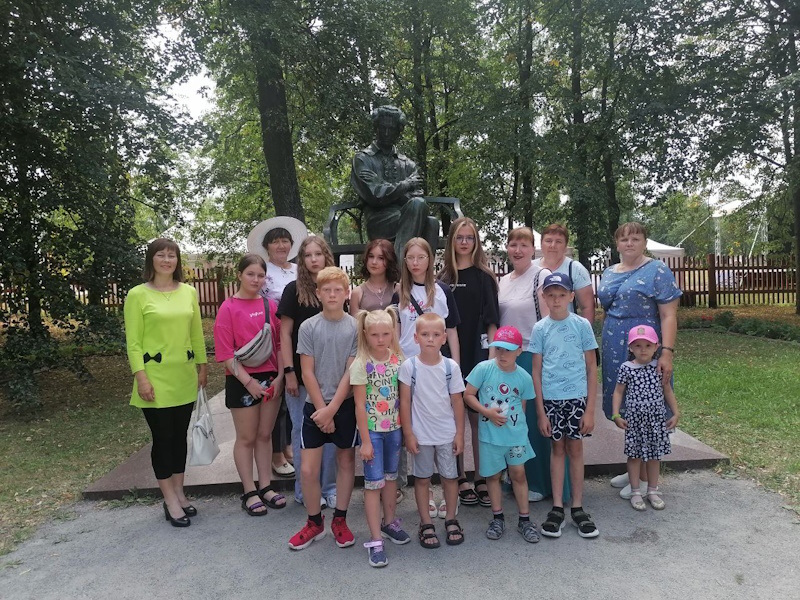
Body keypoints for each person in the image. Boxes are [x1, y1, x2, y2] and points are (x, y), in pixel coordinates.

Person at [123, 238, 207, 527]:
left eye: (172, 255)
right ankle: (169, 499)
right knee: (163, 438)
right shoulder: (137, 295)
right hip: (154, 379)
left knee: (179, 437)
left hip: (183, 376)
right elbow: (134, 343)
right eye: (161, 255)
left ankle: (180, 493)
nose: (167, 260)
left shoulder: (189, 292)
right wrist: (141, 377)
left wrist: (202, 366)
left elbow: (196, 333)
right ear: (152, 259)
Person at [597, 222, 681, 498]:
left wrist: (666, 352)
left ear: (645, 242)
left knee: (648, 404)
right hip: (614, 343)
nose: (630, 243)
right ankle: (634, 466)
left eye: (635, 238)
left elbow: (669, 314)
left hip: (645, 345)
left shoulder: (657, 270)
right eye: (624, 239)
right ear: (617, 244)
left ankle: (645, 478)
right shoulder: (610, 271)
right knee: (628, 404)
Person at [289, 267, 359, 551]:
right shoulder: (308, 327)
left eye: (337, 290)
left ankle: (340, 519)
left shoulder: (355, 327)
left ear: (346, 293)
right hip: (314, 407)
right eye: (326, 290)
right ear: (318, 293)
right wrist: (322, 410)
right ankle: (314, 522)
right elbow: (307, 372)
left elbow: (351, 372)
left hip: (344, 405)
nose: (332, 295)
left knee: (346, 462)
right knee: (308, 470)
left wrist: (333, 410)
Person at [213, 254, 286, 516]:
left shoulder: (270, 306)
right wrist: (249, 382)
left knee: (265, 435)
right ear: (240, 275)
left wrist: (280, 377)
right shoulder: (228, 308)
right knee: (246, 438)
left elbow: (279, 344)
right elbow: (225, 353)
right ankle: (249, 490)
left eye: (260, 275)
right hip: (241, 381)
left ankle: (266, 485)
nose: (256, 279)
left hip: (271, 379)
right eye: (250, 274)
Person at [393, 237, 461, 515]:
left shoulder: (441, 290)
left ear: (430, 260)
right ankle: (428, 493)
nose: (416, 262)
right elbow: (397, 330)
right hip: (409, 366)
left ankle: (449, 493)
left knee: (442, 422)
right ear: (405, 261)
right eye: (411, 258)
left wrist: (456, 364)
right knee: (416, 425)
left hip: (436, 366)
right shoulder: (400, 291)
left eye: (421, 257)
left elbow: (452, 329)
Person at [497, 227, 564, 503]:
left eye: (523, 245)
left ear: (532, 249)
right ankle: (517, 478)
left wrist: (546, 358)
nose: (518, 250)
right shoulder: (503, 281)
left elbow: (550, 321)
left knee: (535, 422)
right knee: (514, 420)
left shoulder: (541, 276)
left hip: (531, 354)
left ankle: (540, 481)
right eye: (513, 245)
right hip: (507, 357)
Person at [531, 273, 600, 539]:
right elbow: (536, 372)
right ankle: (558, 507)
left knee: (575, 448)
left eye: (562, 295)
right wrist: (540, 412)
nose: (556, 300)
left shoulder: (582, 325)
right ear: (544, 297)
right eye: (551, 295)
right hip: (551, 399)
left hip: (577, 399)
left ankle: (578, 506)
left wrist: (590, 409)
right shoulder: (540, 329)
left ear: (571, 296)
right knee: (557, 449)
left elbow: (592, 367)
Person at [438, 217, 500, 508]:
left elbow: (492, 322)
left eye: (470, 237)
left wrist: (491, 360)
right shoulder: (442, 279)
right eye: (460, 237)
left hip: (478, 354)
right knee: (454, 418)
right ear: (451, 240)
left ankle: (481, 476)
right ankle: (459, 476)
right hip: (449, 357)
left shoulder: (485, 276)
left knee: (478, 418)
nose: (464, 242)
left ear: (476, 242)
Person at [278, 236, 338, 509]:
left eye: (318, 254)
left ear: (326, 256)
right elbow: (285, 334)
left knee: (330, 431)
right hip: (301, 376)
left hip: (330, 375)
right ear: (301, 260)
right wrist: (289, 371)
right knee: (303, 431)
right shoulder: (294, 290)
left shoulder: (334, 288)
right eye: (308, 255)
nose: (313, 259)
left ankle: (329, 487)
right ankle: (305, 490)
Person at [463, 326, 538, 543]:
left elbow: (522, 406)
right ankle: (497, 517)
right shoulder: (483, 369)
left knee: (519, 474)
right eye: (499, 349)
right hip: (490, 437)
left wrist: (520, 431)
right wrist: (486, 412)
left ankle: (525, 519)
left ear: (519, 351)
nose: (502, 354)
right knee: (493, 476)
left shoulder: (524, 377)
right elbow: (468, 395)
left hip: (515, 437)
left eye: (508, 349)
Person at [248, 216, 308, 480]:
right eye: (275, 242)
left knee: (294, 396)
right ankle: (276, 453)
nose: (281, 246)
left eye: (285, 241)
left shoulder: (298, 270)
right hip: (274, 340)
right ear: (267, 246)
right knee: (278, 398)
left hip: (299, 340)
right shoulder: (264, 273)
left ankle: (288, 445)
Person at [399, 313, 466, 549]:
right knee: (422, 479)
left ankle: (451, 519)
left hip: (446, 434)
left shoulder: (450, 367)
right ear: (415, 337)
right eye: (425, 334)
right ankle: (425, 522)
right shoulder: (409, 367)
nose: (430, 339)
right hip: (421, 435)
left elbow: (457, 401)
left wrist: (460, 434)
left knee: (450, 477)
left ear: (444, 338)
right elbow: (404, 401)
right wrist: (408, 434)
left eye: (436, 334)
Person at [351, 309, 409, 568]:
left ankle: (389, 523)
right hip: (372, 432)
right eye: (375, 335)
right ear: (366, 334)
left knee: (390, 479)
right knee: (373, 485)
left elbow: (404, 398)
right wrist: (365, 440)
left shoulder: (398, 360)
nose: (381, 339)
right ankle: (375, 539)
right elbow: (359, 405)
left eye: (386, 333)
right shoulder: (360, 363)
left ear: (393, 333)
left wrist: (406, 431)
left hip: (394, 430)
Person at [350, 105, 439, 255]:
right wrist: (406, 185)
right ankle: (402, 266)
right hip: (379, 221)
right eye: (382, 128)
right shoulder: (363, 159)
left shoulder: (407, 164)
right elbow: (375, 194)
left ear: (398, 131)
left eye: (391, 129)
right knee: (416, 206)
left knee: (432, 222)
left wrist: (389, 193)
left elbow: (418, 195)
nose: (386, 133)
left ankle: (419, 269)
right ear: (376, 128)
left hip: (409, 215)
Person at [611, 325, 680, 511]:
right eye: (638, 345)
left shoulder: (659, 367)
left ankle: (652, 490)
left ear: (656, 346)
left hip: (656, 420)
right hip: (635, 421)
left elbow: (667, 390)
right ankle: (635, 491)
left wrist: (675, 412)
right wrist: (616, 414)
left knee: (654, 456)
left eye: (648, 345)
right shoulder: (627, 368)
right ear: (630, 348)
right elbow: (618, 392)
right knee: (634, 455)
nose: (643, 350)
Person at [534, 224, 595, 323]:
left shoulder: (575, 269)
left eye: (558, 242)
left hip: (566, 330)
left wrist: (584, 331)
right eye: (548, 241)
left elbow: (587, 307)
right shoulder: (531, 268)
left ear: (565, 247)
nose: (553, 245)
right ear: (541, 244)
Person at [349, 239, 401, 315]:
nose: (374, 262)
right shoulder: (357, 292)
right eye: (371, 256)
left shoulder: (398, 289)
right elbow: (355, 321)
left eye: (381, 258)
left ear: (389, 261)